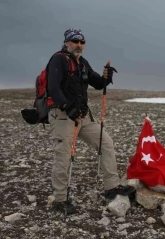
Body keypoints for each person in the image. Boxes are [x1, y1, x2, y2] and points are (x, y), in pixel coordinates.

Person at [46, 28, 135, 215]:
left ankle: (112, 187)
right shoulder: (58, 59)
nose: (79, 45)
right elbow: (52, 87)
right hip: (63, 116)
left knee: (106, 143)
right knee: (63, 157)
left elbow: (97, 83)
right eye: (75, 41)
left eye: (82, 42)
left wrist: (106, 77)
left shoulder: (83, 63)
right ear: (66, 42)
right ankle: (60, 200)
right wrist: (66, 107)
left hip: (83, 116)